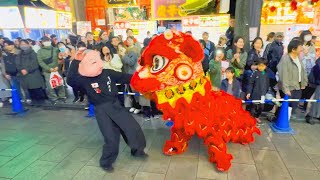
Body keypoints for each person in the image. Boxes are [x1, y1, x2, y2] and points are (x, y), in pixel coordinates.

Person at [77, 50, 147, 172]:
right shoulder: (83, 79)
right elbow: (70, 80)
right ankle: (106, 162)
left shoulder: (107, 73)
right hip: (101, 109)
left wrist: (143, 76)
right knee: (111, 137)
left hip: (115, 105)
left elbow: (125, 77)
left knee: (132, 128)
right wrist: (76, 60)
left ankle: (138, 150)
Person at [277, 39, 308, 120]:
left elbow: (302, 71)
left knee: (294, 105)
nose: (302, 48)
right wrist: (286, 89)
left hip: (297, 86)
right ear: (293, 49)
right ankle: (280, 120)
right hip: (289, 87)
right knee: (285, 106)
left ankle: (286, 120)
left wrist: (304, 83)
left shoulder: (298, 58)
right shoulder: (285, 59)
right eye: (300, 47)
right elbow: (283, 75)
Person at [37, 36, 66, 103]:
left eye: (48, 40)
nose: (47, 42)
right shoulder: (40, 52)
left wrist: (58, 67)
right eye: (45, 41)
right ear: (42, 42)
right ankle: (53, 98)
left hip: (57, 69)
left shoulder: (56, 49)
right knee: (50, 85)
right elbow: (40, 62)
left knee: (60, 83)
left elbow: (60, 59)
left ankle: (62, 96)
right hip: (47, 71)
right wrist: (49, 69)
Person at [246, 58, 269, 125]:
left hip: (263, 94)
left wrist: (265, 92)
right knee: (253, 107)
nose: (260, 67)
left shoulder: (266, 74)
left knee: (261, 107)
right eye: (259, 65)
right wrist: (249, 92)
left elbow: (267, 84)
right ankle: (252, 119)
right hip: (255, 94)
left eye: (262, 66)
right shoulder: (254, 73)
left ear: (265, 66)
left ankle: (257, 116)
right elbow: (250, 83)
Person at [123, 36, 141, 114]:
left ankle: (138, 106)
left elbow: (131, 62)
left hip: (133, 73)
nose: (128, 41)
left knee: (135, 91)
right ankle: (134, 105)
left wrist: (124, 55)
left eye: (130, 40)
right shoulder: (128, 50)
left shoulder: (134, 50)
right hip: (128, 73)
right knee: (130, 91)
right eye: (127, 40)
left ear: (133, 41)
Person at [299, 30, 317, 111]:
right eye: (307, 35)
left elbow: (313, 58)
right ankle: (298, 102)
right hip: (298, 68)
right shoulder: (298, 44)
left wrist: (307, 54)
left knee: (306, 86)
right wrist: (304, 54)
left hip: (308, 69)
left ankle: (303, 103)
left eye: (310, 35)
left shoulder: (312, 45)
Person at [305, 57, 320, 124]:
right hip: (317, 85)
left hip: (316, 84)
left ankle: (314, 115)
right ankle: (310, 115)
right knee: (314, 100)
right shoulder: (317, 65)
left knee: (315, 100)